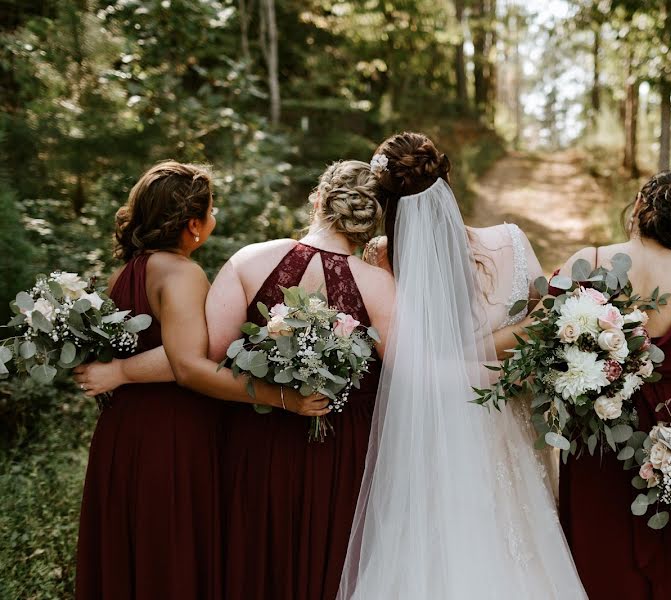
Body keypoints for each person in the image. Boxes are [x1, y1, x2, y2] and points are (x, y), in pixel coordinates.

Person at [338, 132, 586, 598]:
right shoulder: (510, 241)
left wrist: (450, 355)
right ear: (448, 180)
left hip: (433, 435)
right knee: (521, 546)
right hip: (506, 422)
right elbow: (546, 325)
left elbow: (402, 356)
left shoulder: (380, 257)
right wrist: (501, 350)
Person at [75, 161, 297, 600]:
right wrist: (281, 397)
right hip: (171, 436)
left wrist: (118, 372)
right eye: (212, 210)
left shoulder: (125, 273)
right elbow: (189, 366)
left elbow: (161, 352)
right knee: (171, 553)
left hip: (125, 430)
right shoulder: (180, 273)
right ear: (193, 225)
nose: (215, 218)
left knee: (134, 551)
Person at [207, 160, 394, 600]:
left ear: (317, 199)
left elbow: (205, 363)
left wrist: (275, 394)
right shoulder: (380, 285)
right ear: (370, 218)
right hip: (344, 450)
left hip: (256, 439)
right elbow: (408, 379)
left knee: (256, 562)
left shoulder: (249, 260)